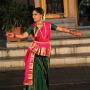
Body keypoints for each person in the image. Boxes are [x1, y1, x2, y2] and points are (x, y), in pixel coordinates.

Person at [6, 7, 81, 90]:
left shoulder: (48, 25)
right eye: (32, 15)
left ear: (41, 15)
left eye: (35, 14)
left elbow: (61, 29)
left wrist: (72, 32)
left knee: (44, 72)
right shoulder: (32, 27)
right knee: (37, 72)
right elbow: (24, 35)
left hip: (45, 52)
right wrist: (15, 36)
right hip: (35, 53)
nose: (33, 16)